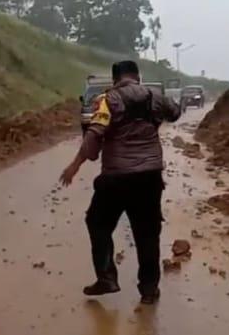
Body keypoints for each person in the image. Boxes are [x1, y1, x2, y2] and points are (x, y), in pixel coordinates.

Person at [60, 60, 182, 305]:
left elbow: (95, 134)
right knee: (148, 233)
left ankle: (107, 278)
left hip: (116, 177)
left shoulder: (108, 100)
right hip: (149, 177)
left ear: (115, 79)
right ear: (137, 76)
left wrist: (76, 165)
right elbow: (175, 113)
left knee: (97, 223)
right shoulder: (154, 96)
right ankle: (149, 290)